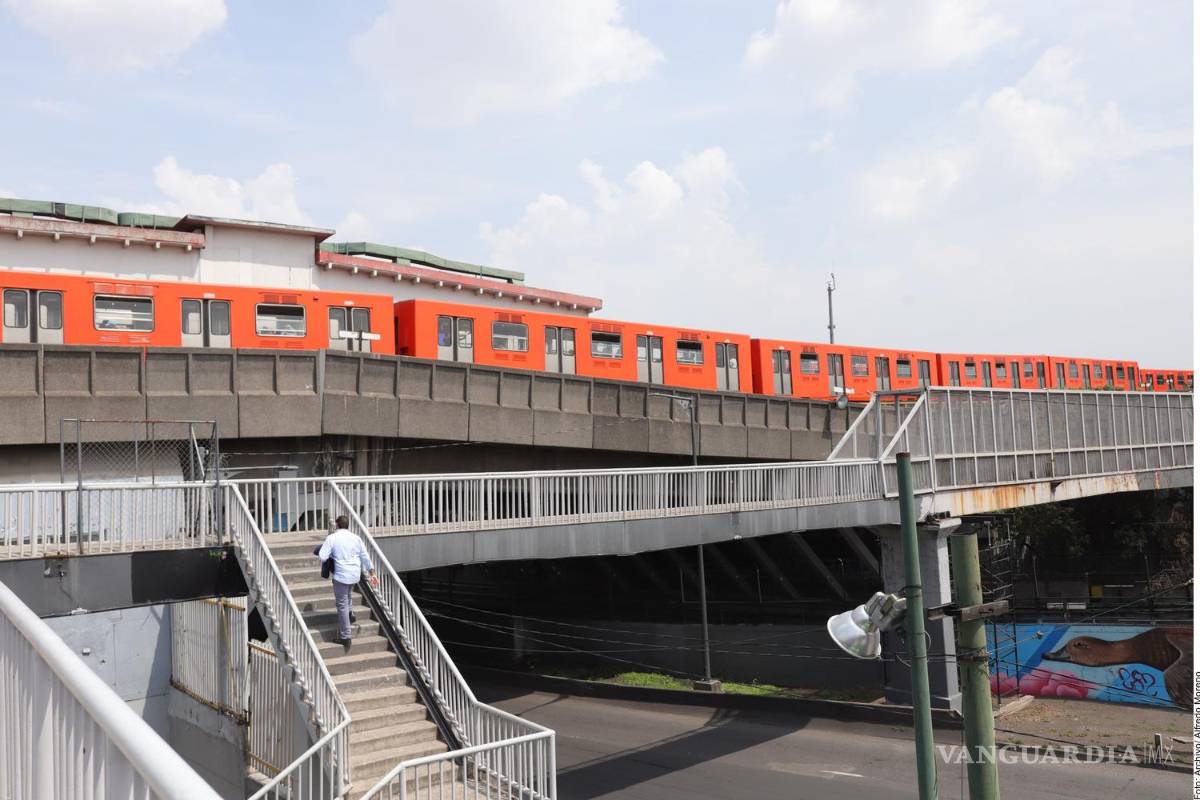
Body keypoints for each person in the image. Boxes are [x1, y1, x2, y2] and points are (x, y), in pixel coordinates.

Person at [315, 515, 378, 650]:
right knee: (348, 593)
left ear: (337, 525)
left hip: (341, 575)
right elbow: (365, 556)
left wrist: (331, 554)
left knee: (341, 604)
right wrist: (372, 572)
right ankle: (350, 614)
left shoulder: (332, 538)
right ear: (347, 525)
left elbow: (322, 556)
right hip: (355, 575)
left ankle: (345, 637)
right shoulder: (356, 538)